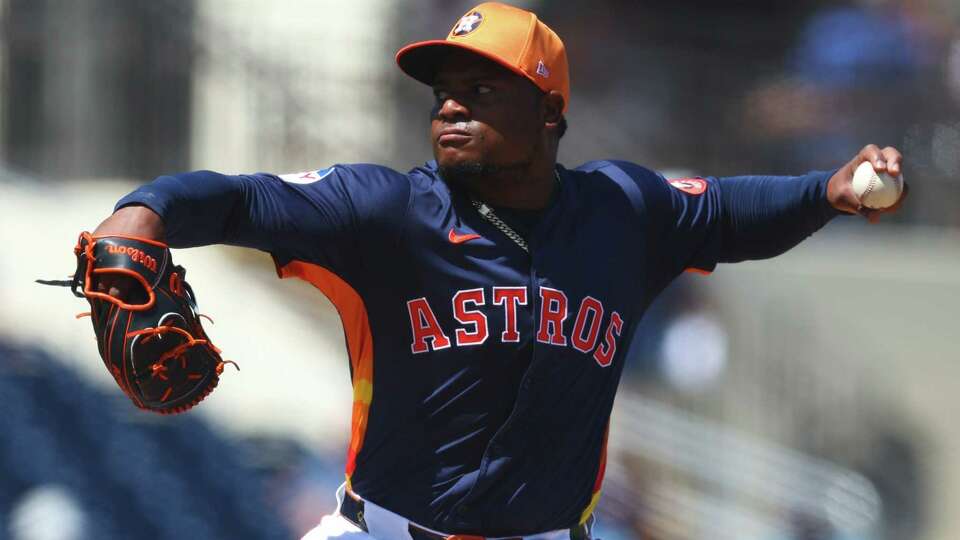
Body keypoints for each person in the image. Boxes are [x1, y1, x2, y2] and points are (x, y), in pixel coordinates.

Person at [91, 3, 906, 539]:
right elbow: (237, 201)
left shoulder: (622, 211)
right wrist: (147, 209)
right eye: (444, 91)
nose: (450, 105)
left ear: (550, 113)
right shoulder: (384, 211)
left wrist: (827, 193)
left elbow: (730, 212)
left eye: (481, 89)